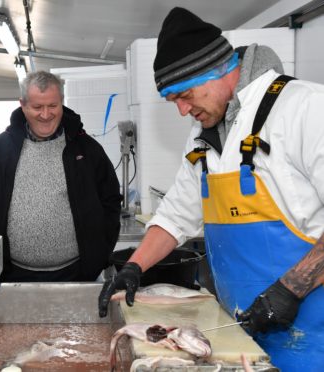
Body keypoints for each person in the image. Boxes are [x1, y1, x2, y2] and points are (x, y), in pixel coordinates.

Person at [98, 7, 324, 371]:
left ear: (217, 68)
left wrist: (291, 289)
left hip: (315, 340)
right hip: (243, 337)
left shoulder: (305, 108)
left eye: (184, 95)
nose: (183, 111)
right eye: (173, 101)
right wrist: (134, 268)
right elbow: (175, 216)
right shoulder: (205, 137)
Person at [0, 71, 121, 282]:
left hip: (75, 273)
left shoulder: (86, 149)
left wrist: (100, 254)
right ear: (23, 104)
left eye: (53, 106)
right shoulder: (0, 149)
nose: (46, 114)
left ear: (61, 102)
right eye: (37, 107)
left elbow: (110, 200)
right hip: (11, 274)